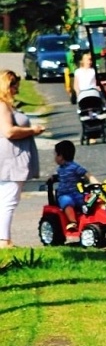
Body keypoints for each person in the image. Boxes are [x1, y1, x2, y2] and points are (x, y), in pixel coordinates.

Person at [0, 70, 45, 248]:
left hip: (12, 157)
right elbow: (8, 131)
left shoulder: (7, 105)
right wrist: (32, 130)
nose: (17, 90)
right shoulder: (2, 106)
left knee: (7, 197)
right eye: (15, 86)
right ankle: (4, 240)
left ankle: (4, 238)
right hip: (10, 158)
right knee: (9, 198)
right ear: (7, 86)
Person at [52, 140, 93, 233]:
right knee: (67, 201)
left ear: (60, 156)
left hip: (76, 193)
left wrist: (95, 182)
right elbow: (59, 176)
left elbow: (87, 174)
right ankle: (73, 222)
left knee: (89, 199)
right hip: (65, 195)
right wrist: (52, 177)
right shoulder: (60, 169)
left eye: (55, 155)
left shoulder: (74, 167)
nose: (54, 158)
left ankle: (88, 218)